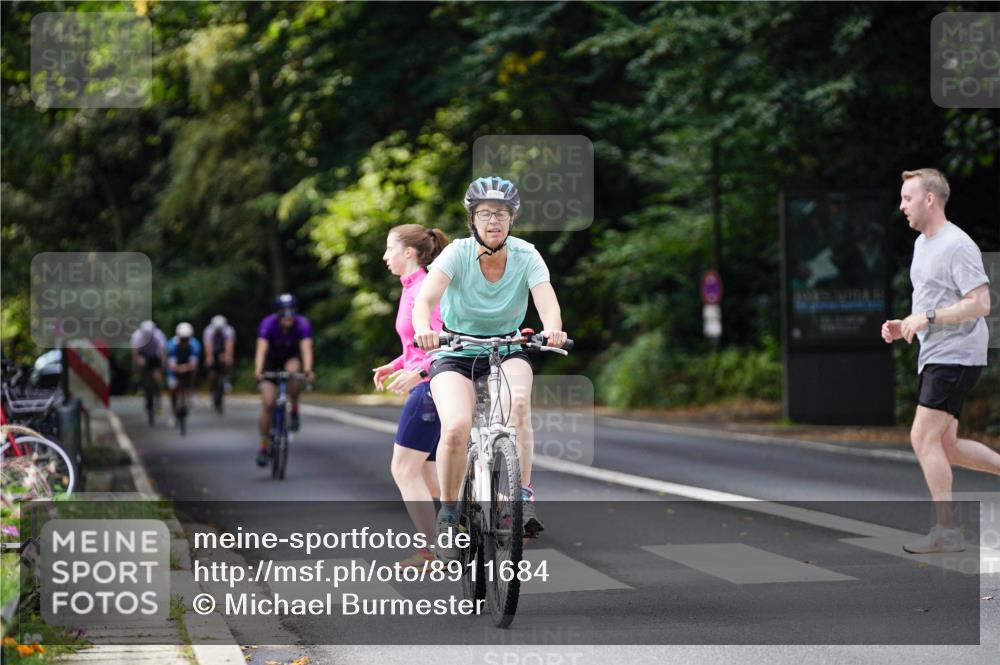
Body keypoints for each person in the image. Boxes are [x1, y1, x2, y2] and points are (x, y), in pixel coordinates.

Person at [413, 176, 568, 560]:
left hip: (507, 347)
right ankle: (449, 515)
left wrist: (552, 329)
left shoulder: (527, 255)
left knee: (518, 407)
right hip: (456, 350)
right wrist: (423, 330)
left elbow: (547, 301)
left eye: (501, 213)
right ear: (473, 219)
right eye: (484, 213)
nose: (493, 220)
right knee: (455, 427)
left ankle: (522, 498)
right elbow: (425, 299)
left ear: (512, 218)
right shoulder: (457, 254)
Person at [882, 168, 996, 554]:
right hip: (937, 354)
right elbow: (934, 301)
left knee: (923, 437)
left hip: (955, 354)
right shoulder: (923, 244)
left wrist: (927, 318)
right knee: (948, 447)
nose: (902, 206)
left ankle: (947, 532)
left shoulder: (957, 245)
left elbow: (980, 304)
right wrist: (906, 323)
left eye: (907, 198)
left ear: (929, 199)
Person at [373, 224, 449, 568]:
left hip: (431, 386)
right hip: (426, 382)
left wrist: (417, 373)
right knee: (431, 478)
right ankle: (494, 512)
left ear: (408, 252)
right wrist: (395, 364)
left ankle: (432, 551)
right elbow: (416, 346)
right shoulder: (411, 288)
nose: (384, 256)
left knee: (404, 469)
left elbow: (444, 342)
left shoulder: (425, 289)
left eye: (390, 248)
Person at [254, 294, 314, 466]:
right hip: (271, 363)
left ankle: (294, 408)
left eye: (291, 312)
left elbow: (306, 348)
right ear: (278, 313)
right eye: (284, 313)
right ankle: (264, 445)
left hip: (290, 359)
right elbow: (261, 349)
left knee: (293, 372)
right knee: (268, 404)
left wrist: (308, 370)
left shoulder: (302, 324)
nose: (288, 317)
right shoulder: (268, 324)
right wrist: (258, 370)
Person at [166, 322, 202, 423]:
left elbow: (193, 364)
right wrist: (180, 368)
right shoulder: (171, 346)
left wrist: (185, 368)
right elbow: (172, 365)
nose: (184, 341)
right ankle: (174, 411)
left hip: (187, 368)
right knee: (173, 388)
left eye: (186, 339)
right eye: (182, 339)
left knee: (193, 371)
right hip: (175, 369)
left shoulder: (195, 346)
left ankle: (190, 389)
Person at [130, 320, 167, 413]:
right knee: (141, 363)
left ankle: (158, 402)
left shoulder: (159, 335)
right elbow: (135, 353)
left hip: (155, 356)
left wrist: (162, 367)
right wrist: (135, 367)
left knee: (157, 378)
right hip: (144, 355)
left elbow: (162, 353)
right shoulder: (137, 336)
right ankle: (142, 384)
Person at [203, 314, 236, 393]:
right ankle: (211, 388)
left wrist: (228, 357)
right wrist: (209, 358)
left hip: (223, 349)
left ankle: (226, 378)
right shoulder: (208, 331)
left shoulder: (229, 330)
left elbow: (229, 345)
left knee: (228, 361)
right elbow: (208, 346)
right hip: (213, 349)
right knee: (210, 367)